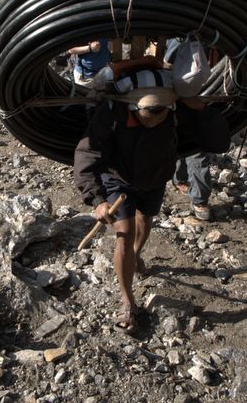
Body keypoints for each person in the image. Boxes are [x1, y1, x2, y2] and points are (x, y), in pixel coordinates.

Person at [74, 83, 177, 334]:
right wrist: (97, 200)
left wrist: (204, 111)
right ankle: (127, 300)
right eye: (148, 117)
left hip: (154, 177)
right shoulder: (112, 114)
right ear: (134, 108)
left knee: (146, 218)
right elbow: (87, 154)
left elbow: (209, 138)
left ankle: (136, 254)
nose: (153, 122)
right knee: (124, 233)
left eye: (160, 116)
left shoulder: (176, 111)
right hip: (118, 178)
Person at [164, 37, 213, 221]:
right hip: (181, 98)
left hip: (195, 96)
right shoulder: (180, 38)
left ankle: (197, 196)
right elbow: (166, 65)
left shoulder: (201, 38)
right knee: (187, 144)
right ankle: (196, 196)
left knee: (193, 147)